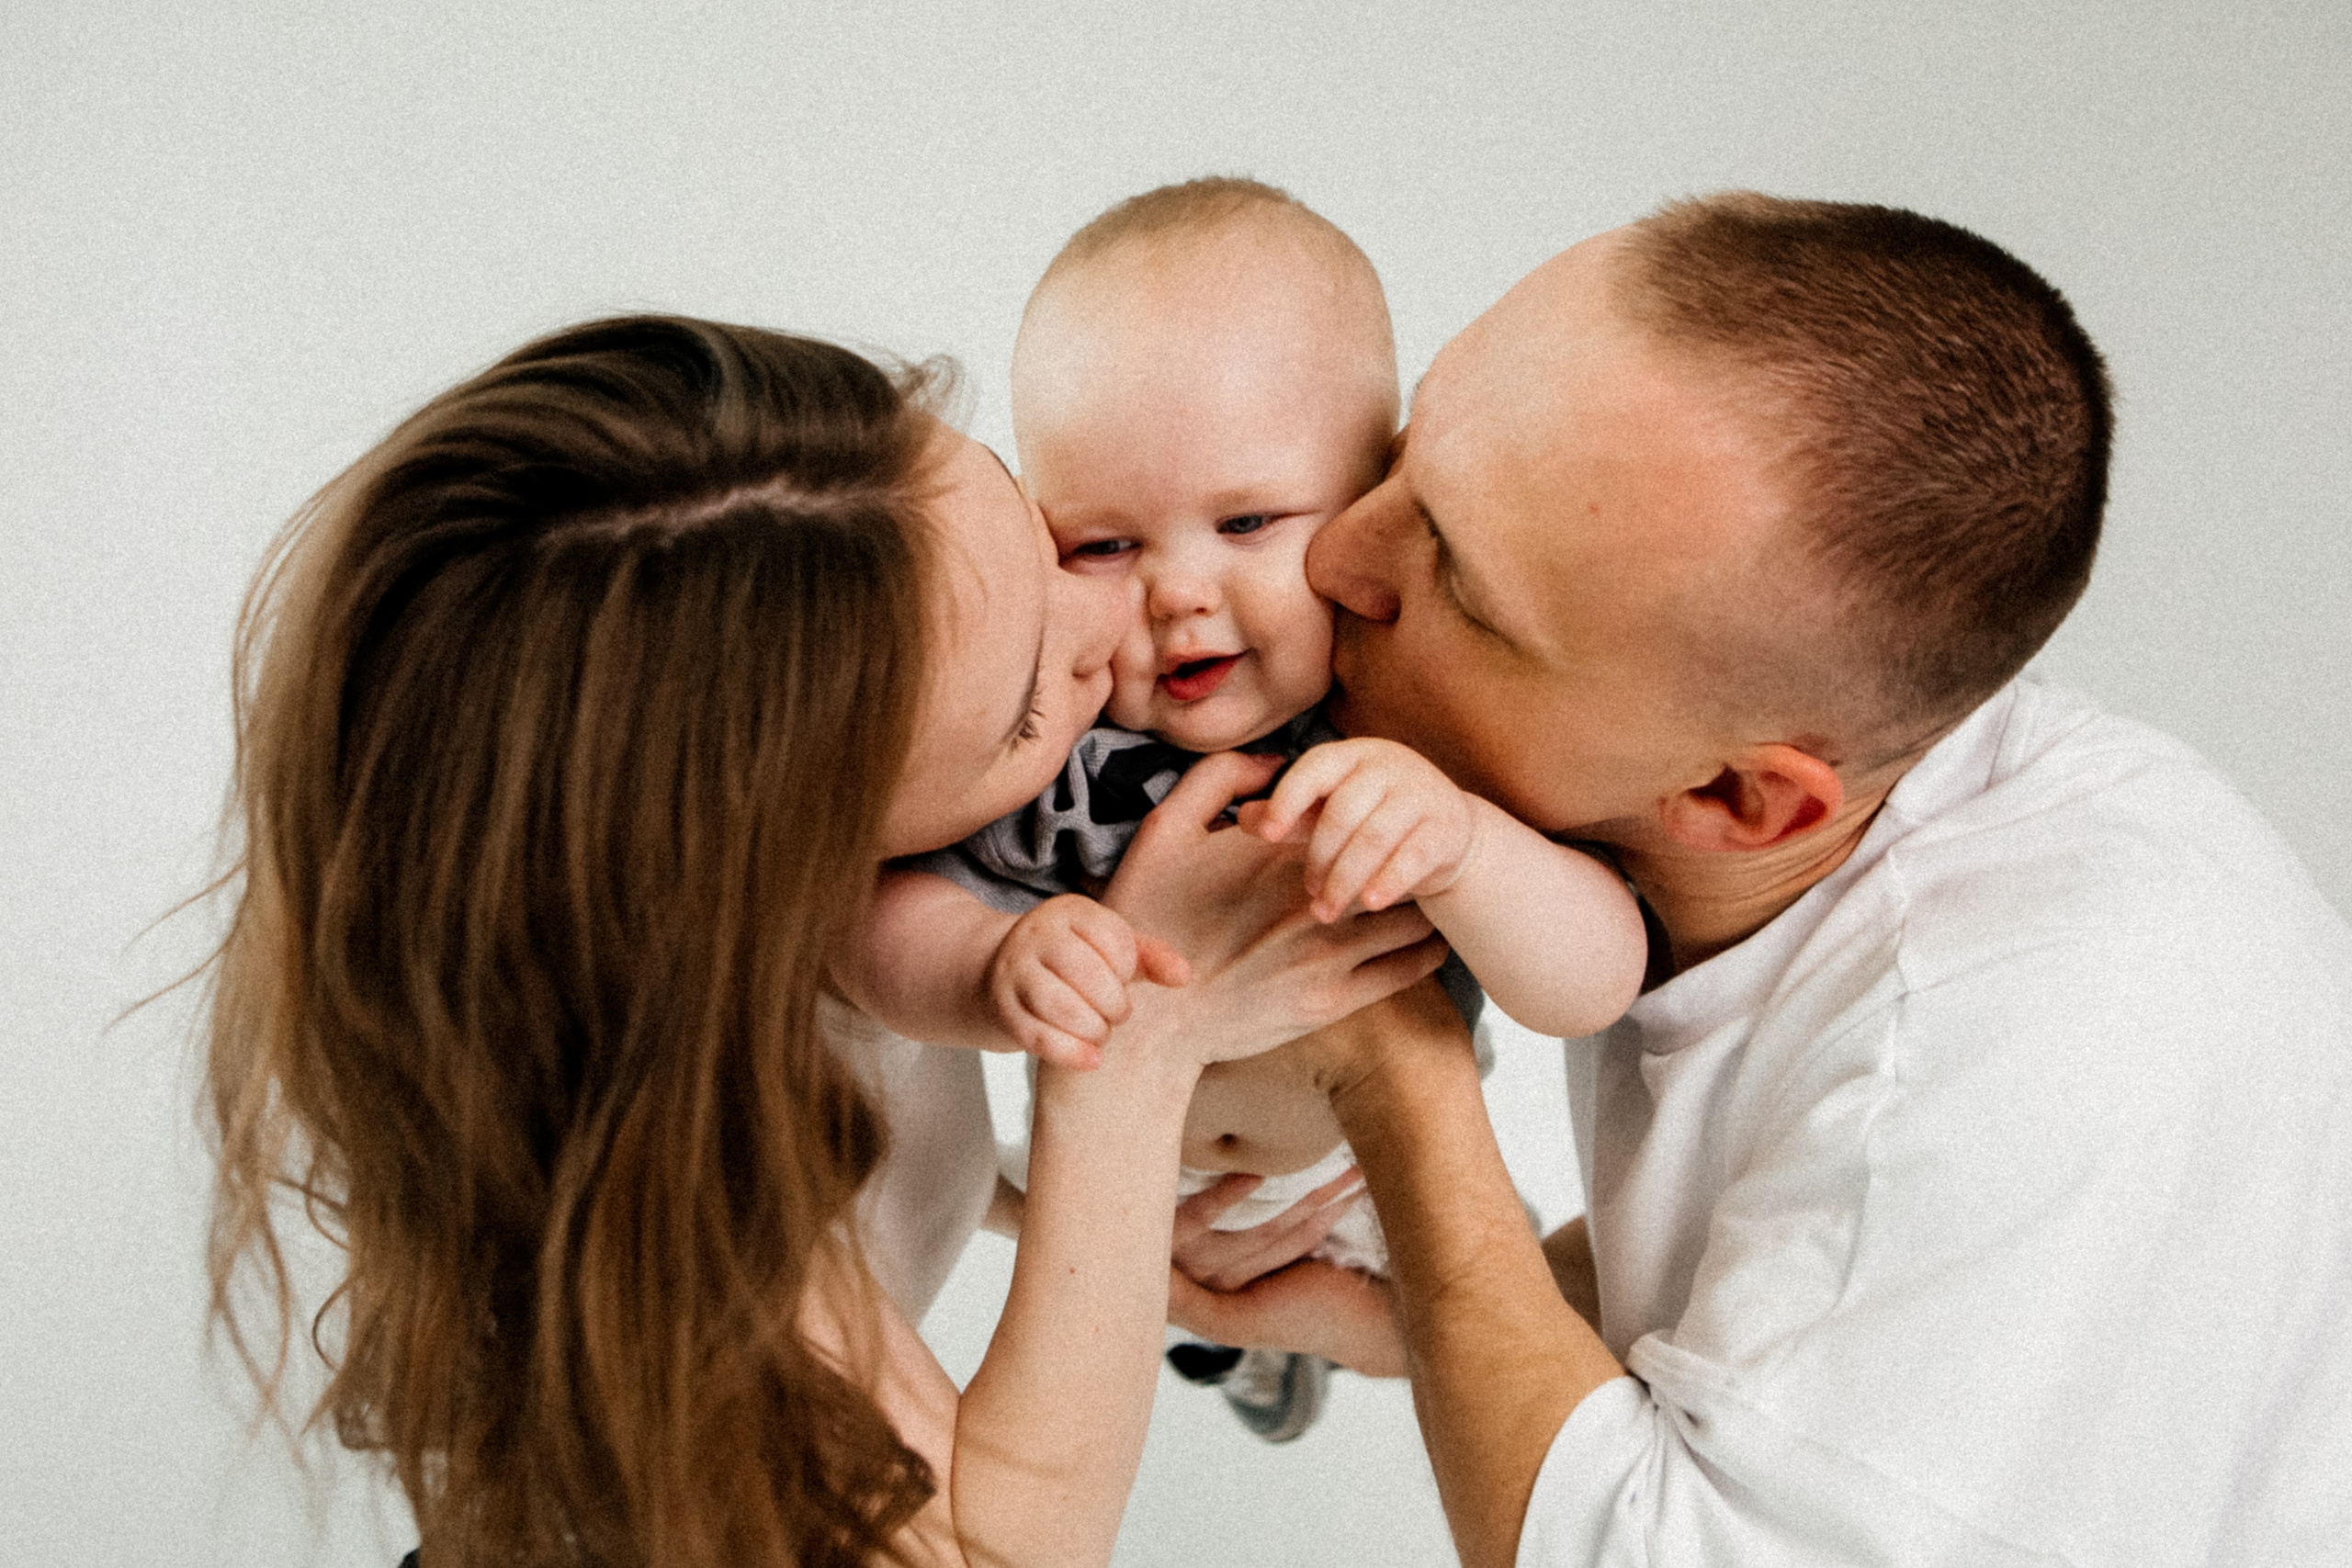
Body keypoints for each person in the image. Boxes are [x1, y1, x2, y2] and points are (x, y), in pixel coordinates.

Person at [1181, 193, 2352, 1566]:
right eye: (1411, 453)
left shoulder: (2022, 1036)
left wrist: (1392, 1073)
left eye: (1456, 581)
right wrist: (1396, 1315)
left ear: (1734, 799)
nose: (1335, 559)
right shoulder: (1886, 835)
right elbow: (1807, 1317)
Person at [199, 315, 1444, 1568]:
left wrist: (1124, 1253)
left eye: (1041, 537)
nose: (1108, 625)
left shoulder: (804, 923)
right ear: (770, 871)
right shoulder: (687, 1228)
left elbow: (883, 1162)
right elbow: (1011, 1550)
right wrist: (1133, 1056)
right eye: (1026, 708)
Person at [839, 178, 1647, 1439]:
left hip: (1362, 1188)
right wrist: (992, 961)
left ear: (1372, 498)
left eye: (1248, 522)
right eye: (1103, 545)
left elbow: (1594, 979)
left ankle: (1286, 1355)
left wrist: (1469, 845)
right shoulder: (1042, 739)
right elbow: (870, 929)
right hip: (1114, 1191)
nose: (1178, 594)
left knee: (1516, 1332)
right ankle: (1232, 1342)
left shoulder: (1405, 735)